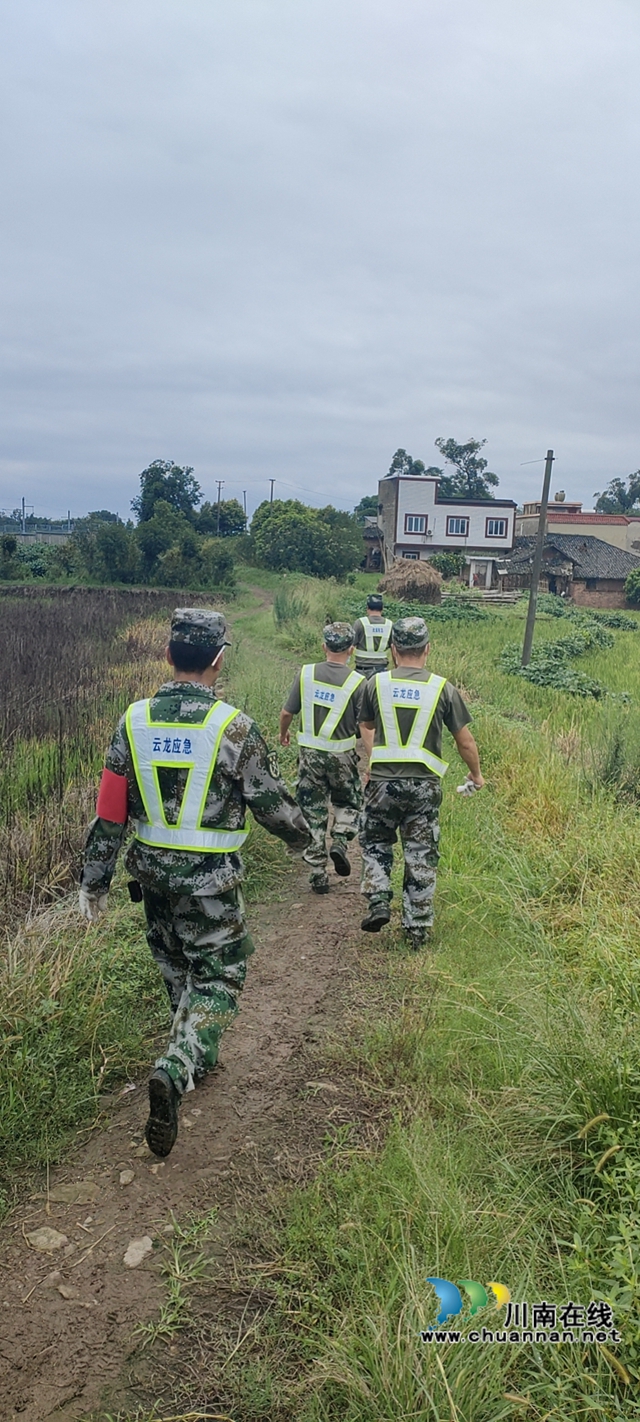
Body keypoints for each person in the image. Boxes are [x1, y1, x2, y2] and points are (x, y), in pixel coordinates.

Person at [78, 608, 310, 1159]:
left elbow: (110, 812)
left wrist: (94, 881)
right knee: (220, 974)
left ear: (167, 655)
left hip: (152, 880)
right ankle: (180, 1062)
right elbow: (272, 805)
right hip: (211, 886)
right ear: (219, 660)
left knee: (177, 966)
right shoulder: (234, 728)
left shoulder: (133, 722)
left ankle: (192, 1057)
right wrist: (304, 840)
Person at [358, 616, 484, 951]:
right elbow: (465, 741)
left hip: (382, 784)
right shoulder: (443, 689)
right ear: (427, 649)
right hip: (424, 787)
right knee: (421, 854)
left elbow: (366, 727)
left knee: (376, 841)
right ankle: (416, 930)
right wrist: (476, 775)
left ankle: (379, 898)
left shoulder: (375, 684)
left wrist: (374, 759)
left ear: (393, 650)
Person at [279, 622, 365, 894]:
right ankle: (340, 840)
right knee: (348, 801)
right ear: (352, 650)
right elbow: (366, 724)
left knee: (312, 810)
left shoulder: (305, 674)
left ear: (323, 646)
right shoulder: (358, 682)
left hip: (310, 756)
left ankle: (318, 874)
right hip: (343, 756)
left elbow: (287, 712)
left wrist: (283, 733)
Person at [352, 594, 394, 678]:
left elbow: (350, 646)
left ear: (367, 608)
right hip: (381, 670)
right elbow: (394, 648)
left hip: (361, 670)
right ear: (382, 608)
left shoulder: (359, 623)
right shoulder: (390, 624)